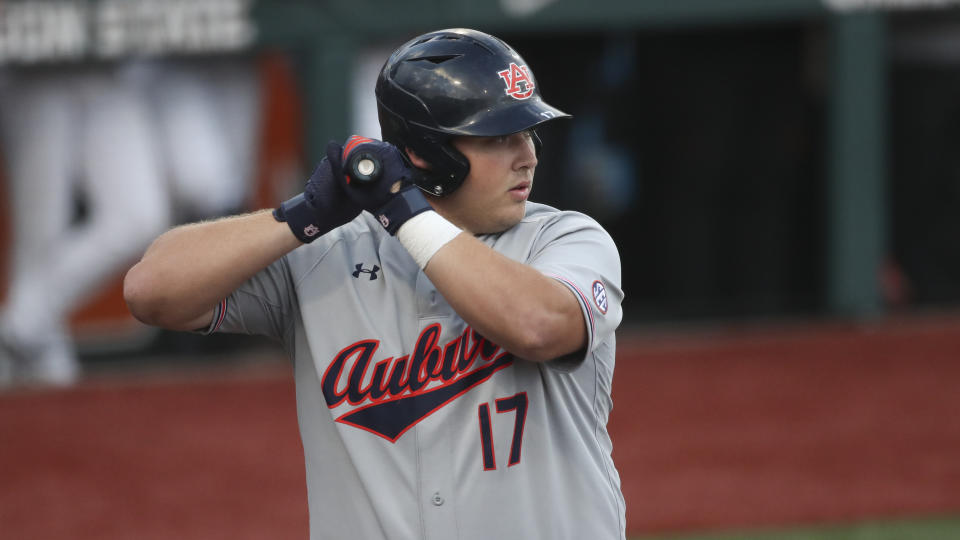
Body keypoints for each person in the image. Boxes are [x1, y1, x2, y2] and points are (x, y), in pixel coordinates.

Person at [124, 28, 625, 539]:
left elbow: (539, 326)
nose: (528, 156)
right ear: (429, 153)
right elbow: (151, 292)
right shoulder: (325, 255)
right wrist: (298, 217)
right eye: (499, 138)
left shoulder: (565, 240)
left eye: (528, 132)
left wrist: (407, 212)